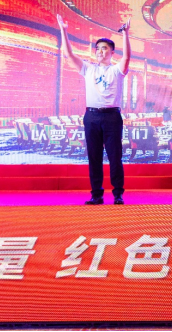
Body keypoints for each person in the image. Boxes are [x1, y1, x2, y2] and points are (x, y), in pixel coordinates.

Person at [57, 14, 131, 205]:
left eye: (104, 48)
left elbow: (127, 57)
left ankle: (118, 194)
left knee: (115, 157)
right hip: (91, 116)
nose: (100, 51)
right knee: (94, 157)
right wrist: (64, 31)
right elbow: (69, 55)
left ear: (112, 52)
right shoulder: (88, 69)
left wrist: (125, 34)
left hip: (112, 117)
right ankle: (96, 195)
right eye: (97, 49)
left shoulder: (117, 70)